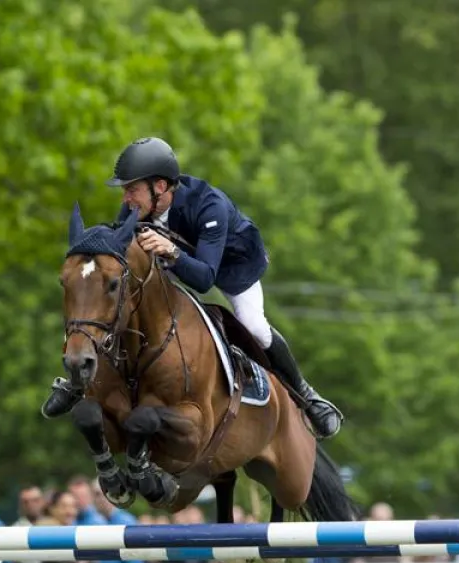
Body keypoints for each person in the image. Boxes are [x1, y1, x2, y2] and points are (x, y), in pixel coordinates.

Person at [41, 136, 343, 440]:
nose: (125, 199)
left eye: (131, 189)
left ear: (159, 187)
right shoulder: (137, 208)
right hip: (177, 264)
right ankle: (78, 382)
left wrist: (171, 251)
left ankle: (307, 397)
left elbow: (204, 278)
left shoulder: (209, 206)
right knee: (123, 302)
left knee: (255, 326)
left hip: (232, 269)